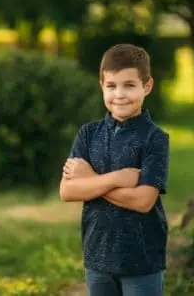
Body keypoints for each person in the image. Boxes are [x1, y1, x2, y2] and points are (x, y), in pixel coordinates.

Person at [59, 43, 170, 296]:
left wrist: (90, 181)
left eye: (129, 85)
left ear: (147, 86)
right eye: (111, 86)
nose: (119, 94)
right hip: (97, 255)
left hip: (142, 259)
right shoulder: (88, 134)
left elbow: (143, 201)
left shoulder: (155, 138)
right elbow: (67, 191)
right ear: (102, 86)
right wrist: (116, 179)